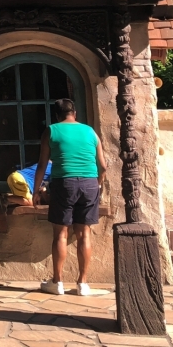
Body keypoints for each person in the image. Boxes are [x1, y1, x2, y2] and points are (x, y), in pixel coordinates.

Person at [33, 97, 107, 296]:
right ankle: (82, 283)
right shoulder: (90, 131)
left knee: (61, 233)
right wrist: (97, 183)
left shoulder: (52, 130)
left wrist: (36, 191)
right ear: (74, 113)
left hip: (63, 183)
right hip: (90, 183)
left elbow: (42, 164)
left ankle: (57, 282)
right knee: (84, 233)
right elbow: (103, 166)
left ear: (57, 115)